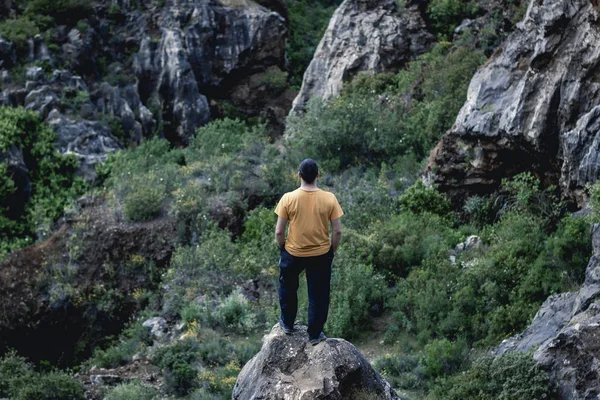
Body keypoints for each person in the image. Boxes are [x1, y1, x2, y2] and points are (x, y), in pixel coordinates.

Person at [274, 158, 343, 345]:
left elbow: (279, 231)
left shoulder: (288, 198)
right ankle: (314, 334)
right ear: (318, 175)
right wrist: (331, 250)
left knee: (288, 287)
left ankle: (287, 324)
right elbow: (337, 230)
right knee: (318, 294)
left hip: (293, 252)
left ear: (299, 175)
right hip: (320, 254)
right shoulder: (329, 198)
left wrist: (283, 247)